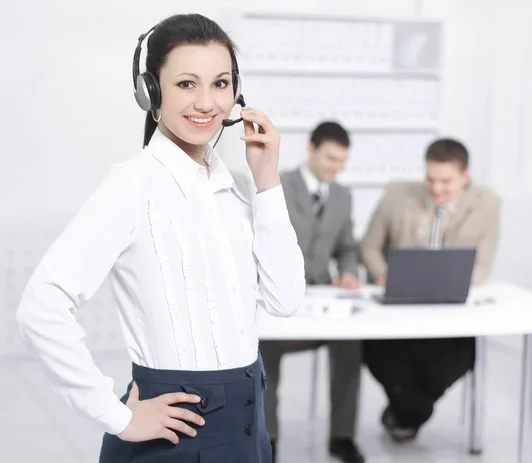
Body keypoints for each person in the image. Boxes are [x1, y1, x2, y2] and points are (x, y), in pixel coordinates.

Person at [15, 13, 305, 463]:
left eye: (221, 83)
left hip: (250, 431)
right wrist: (117, 415)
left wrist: (266, 181)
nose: (207, 102)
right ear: (151, 91)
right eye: (187, 84)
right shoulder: (131, 186)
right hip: (175, 441)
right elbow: (41, 307)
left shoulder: (237, 190)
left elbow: (285, 300)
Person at [360, 138, 500, 443]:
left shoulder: (487, 204)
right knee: (385, 359)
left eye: (446, 181)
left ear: (465, 177)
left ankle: (405, 412)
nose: (436, 188)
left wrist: (450, 281)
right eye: (430, 179)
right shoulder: (397, 195)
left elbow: (482, 265)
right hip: (396, 312)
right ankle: (410, 413)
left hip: (449, 316)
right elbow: (369, 247)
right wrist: (384, 274)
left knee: (456, 360)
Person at [260, 122, 365, 463]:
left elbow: (348, 248)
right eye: (330, 158)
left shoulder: (343, 197)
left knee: (351, 342)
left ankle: (342, 436)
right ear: (311, 149)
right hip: (279, 298)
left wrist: (349, 272)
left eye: (342, 161)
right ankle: (268, 439)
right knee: (265, 346)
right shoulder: (277, 185)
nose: (336, 167)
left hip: (321, 302)